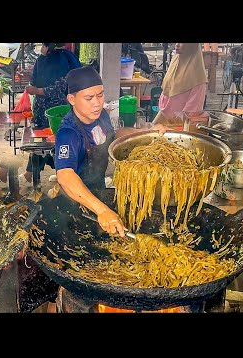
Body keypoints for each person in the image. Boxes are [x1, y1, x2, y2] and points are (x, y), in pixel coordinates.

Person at [53, 66, 167, 312]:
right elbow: (65, 176)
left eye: (101, 95)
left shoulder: (100, 115)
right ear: (72, 99)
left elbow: (115, 137)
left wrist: (144, 133)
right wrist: (102, 211)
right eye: (89, 98)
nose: (97, 103)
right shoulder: (68, 132)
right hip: (75, 208)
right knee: (84, 271)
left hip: (99, 196)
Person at [16, 43, 81, 185]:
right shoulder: (42, 59)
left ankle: (61, 172)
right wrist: (29, 79)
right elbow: (35, 80)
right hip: (41, 111)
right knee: (40, 143)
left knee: (57, 143)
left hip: (57, 112)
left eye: (44, 45)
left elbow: (62, 87)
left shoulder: (65, 59)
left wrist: (38, 91)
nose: (42, 48)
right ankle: (33, 172)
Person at [152, 43, 208, 125]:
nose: (177, 45)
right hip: (164, 114)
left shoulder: (197, 76)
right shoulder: (175, 61)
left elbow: (192, 111)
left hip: (183, 123)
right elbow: (166, 90)